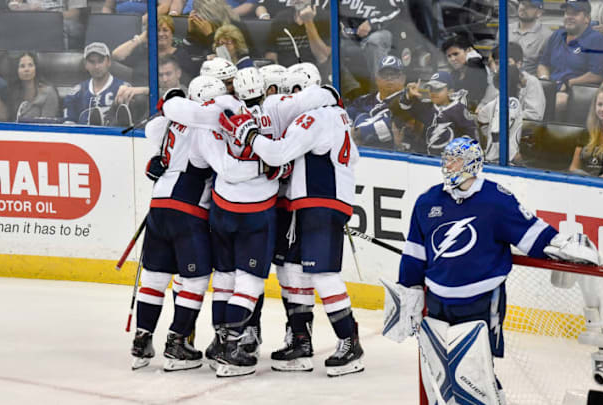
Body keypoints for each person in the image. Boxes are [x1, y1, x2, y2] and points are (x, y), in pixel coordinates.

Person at [383, 136, 599, 404]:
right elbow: (415, 252)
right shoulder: (428, 201)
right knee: (441, 372)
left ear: (472, 163)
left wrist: (559, 242)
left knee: (476, 371)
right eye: (446, 159)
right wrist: (410, 288)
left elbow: (531, 234)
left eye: (456, 159)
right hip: (437, 300)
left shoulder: (496, 199)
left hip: (483, 301)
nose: (449, 165)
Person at [222, 82, 365, 378]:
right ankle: (300, 341)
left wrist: (249, 135)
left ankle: (350, 343)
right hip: (313, 202)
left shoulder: (315, 116)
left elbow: (277, 154)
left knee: (324, 275)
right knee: (293, 270)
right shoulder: (338, 117)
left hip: (319, 201)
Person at [132, 87, 263, 372]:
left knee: (154, 278)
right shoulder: (204, 129)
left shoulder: (169, 123)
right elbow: (224, 169)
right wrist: (263, 167)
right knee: (196, 279)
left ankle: (142, 340)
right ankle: (177, 342)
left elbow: (153, 133)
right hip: (188, 210)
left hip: (158, 204)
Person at [537, 0, 603, 115]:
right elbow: (543, 64)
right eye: (567, 13)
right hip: (552, 87)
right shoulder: (557, 35)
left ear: (587, 18)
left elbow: (597, 75)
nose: (569, 17)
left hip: (576, 91)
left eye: (575, 14)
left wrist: (568, 83)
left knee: (559, 101)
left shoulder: (596, 39)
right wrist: (545, 80)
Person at [394, 71, 478, 156]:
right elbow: (405, 106)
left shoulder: (460, 111)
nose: (433, 92)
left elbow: (470, 136)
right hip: (424, 158)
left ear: (450, 91)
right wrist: (408, 95)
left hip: (450, 160)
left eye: (438, 89)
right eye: (431, 88)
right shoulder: (426, 106)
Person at [347, 55, 409, 151]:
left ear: (403, 79)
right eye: (385, 74)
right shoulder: (362, 101)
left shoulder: (407, 104)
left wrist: (360, 133)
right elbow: (344, 122)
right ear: (377, 79)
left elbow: (393, 126)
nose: (389, 78)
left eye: (394, 75)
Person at [63, 42, 131, 125]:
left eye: (100, 61)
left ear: (108, 62)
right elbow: (69, 127)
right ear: (85, 64)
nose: (96, 66)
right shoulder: (75, 93)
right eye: (92, 62)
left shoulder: (124, 89)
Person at [476, 65, 525, 163]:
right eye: (521, 76)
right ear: (515, 82)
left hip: (492, 156)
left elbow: (481, 118)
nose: (524, 78)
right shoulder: (512, 103)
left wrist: (487, 134)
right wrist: (514, 155)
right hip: (501, 160)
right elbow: (496, 133)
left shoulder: (497, 100)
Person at [488, 42, 546, 121]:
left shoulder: (532, 82)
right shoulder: (495, 80)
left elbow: (535, 115)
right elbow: (483, 105)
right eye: (498, 63)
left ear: (519, 64)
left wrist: (507, 115)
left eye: (507, 62)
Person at [6, 0, 87, 49]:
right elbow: (15, 4)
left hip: (63, 20)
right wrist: (17, 5)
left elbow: (74, 14)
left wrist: (46, 14)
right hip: (32, 19)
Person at [502, 0, 553, 75]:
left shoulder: (547, 36)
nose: (523, 8)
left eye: (529, 6)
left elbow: (546, 67)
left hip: (526, 82)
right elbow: (495, 55)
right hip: (502, 78)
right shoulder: (505, 29)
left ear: (539, 13)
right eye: (522, 3)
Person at [7, 52, 61, 122]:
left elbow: (47, 126)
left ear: (36, 68)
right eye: (22, 66)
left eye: (30, 65)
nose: (27, 69)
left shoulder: (48, 93)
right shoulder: (13, 92)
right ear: (16, 70)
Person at [441, 35, 490, 112]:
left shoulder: (477, 69)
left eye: (456, 54)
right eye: (449, 56)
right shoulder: (454, 74)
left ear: (468, 51)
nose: (452, 59)